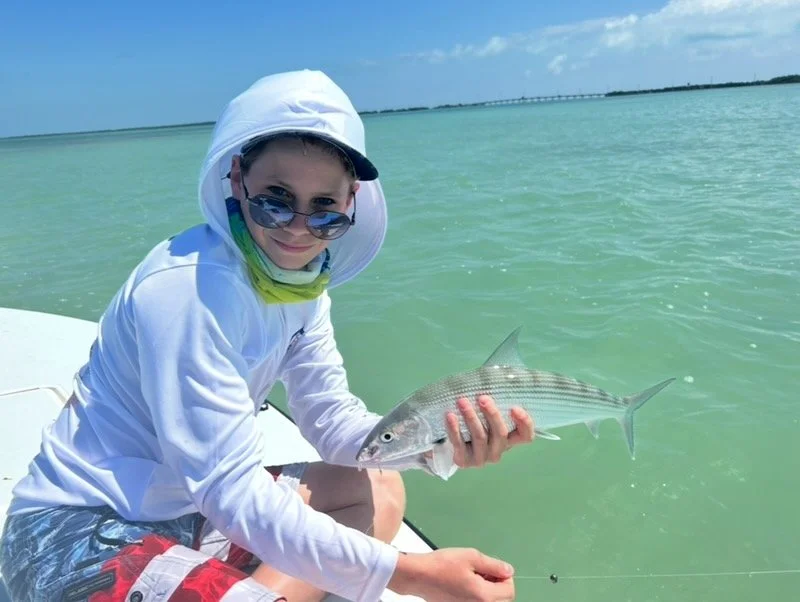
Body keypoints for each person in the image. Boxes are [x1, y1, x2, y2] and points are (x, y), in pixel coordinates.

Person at [0, 70, 535, 602]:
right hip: (77, 529)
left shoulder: (302, 287)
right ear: (237, 181)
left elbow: (334, 422)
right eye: (276, 200)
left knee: (376, 483)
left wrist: (433, 444)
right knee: (356, 533)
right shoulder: (189, 291)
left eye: (325, 207)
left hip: (185, 510)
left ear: (351, 200)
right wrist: (415, 574)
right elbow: (229, 488)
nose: (299, 228)